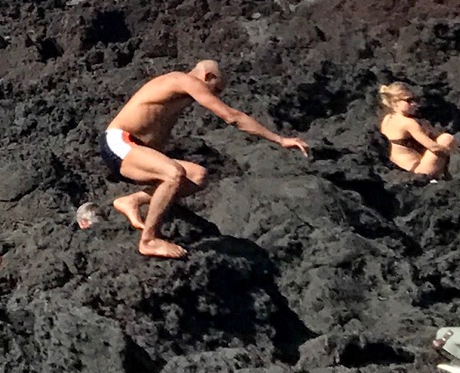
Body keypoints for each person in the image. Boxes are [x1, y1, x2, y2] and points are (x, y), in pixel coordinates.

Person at [101, 60, 309, 260]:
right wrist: (279, 139)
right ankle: (148, 240)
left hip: (136, 147)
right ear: (207, 76)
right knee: (174, 174)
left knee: (197, 176)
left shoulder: (179, 90)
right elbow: (232, 117)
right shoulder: (185, 80)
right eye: (216, 90)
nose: (214, 96)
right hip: (121, 141)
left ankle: (133, 200)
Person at [375, 83, 457, 179]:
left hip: (403, 170)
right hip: (420, 171)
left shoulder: (387, 118)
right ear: (395, 102)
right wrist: (453, 153)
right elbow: (433, 147)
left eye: (415, 100)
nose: (414, 104)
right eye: (408, 101)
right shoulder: (409, 123)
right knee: (446, 139)